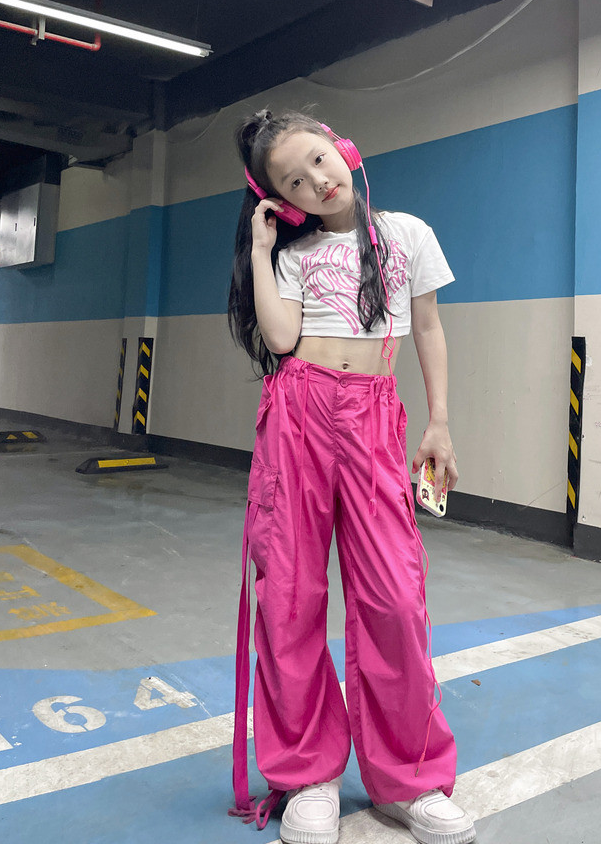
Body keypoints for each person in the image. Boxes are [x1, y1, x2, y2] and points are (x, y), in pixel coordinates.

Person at [227, 109, 475, 844]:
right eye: (292, 183)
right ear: (282, 201)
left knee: (395, 597)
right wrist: (262, 246)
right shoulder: (294, 253)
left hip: (372, 418)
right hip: (298, 415)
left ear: (343, 148)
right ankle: (307, 774)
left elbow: (427, 327)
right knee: (290, 597)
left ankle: (411, 778)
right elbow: (280, 337)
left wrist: (439, 422)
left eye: (317, 160)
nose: (316, 181)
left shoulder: (407, 234)